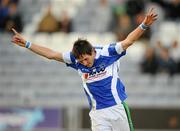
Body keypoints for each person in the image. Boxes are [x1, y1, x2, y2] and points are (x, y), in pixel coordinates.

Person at [11, 8, 157, 131]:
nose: (84, 63)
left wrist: (144, 25)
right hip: (98, 114)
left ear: (93, 51)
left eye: (86, 59)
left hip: (117, 108)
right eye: (81, 61)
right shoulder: (75, 59)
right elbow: (51, 54)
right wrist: (28, 44)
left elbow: (128, 41)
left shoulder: (108, 52)